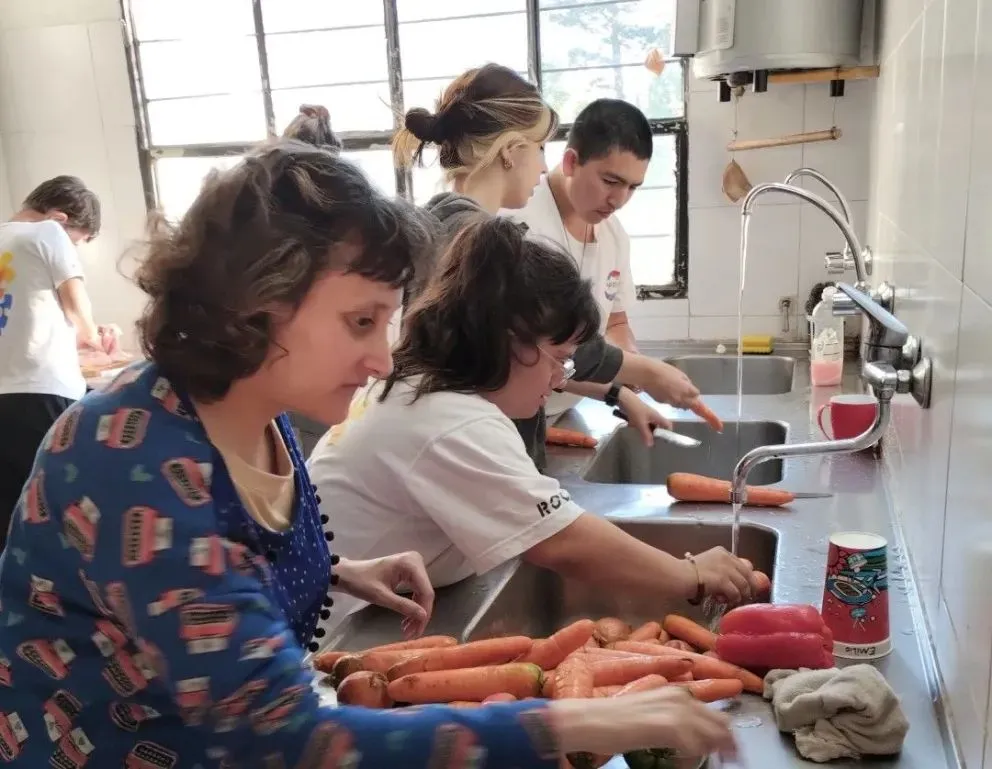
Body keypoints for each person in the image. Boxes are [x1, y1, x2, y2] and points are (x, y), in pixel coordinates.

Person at [0, 142, 737, 768]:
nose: (382, 359)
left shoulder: (256, 409)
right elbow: (295, 739)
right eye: (360, 321)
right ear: (257, 301)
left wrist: (338, 567)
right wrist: (575, 721)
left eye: (387, 321)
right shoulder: (133, 461)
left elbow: (212, 566)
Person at [308, 216, 758, 636]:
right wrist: (690, 575)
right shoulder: (450, 421)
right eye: (559, 360)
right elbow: (563, 542)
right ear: (507, 342)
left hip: (353, 613)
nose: (560, 379)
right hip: (336, 635)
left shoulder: (425, 387)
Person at [389, 64, 719, 472]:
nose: (545, 168)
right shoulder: (482, 242)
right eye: (541, 148)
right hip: (479, 450)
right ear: (511, 152)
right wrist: (648, 373)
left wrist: (621, 391)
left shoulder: (440, 221)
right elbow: (553, 344)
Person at [507, 98, 650, 417]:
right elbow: (533, 349)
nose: (619, 200)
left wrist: (627, 358)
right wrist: (630, 375)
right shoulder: (518, 227)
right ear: (571, 162)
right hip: (515, 416)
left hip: (568, 409)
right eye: (611, 181)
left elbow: (616, 320)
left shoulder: (614, 236)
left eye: (632, 188)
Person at [0, 175, 119, 550]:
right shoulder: (49, 233)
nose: (75, 251)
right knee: (60, 507)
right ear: (60, 218)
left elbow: (20, 321)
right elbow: (76, 305)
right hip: (40, 394)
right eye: (78, 243)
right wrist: (95, 334)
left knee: (10, 513)